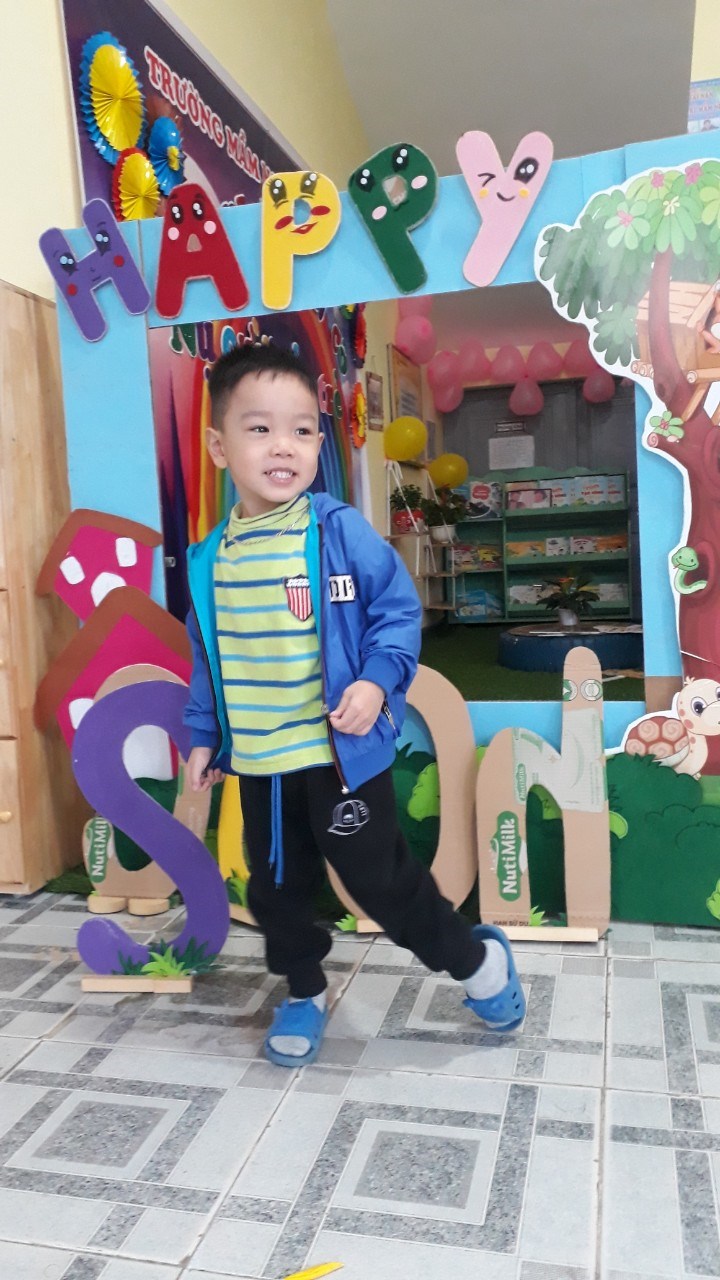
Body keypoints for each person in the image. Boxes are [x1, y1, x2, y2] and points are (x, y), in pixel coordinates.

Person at [183, 343, 525, 1067]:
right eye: (260, 429)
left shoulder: (337, 532)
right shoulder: (212, 559)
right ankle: (304, 991)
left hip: (341, 757)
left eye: (303, 430)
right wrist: (203, 733)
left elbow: (396, 612)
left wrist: (375, 682)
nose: (284, 446)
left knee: (380, 882)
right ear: (219, 447)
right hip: (265, 765)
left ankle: (474, 960)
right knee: (276, 891)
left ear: (319, 444)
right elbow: (207, 654)